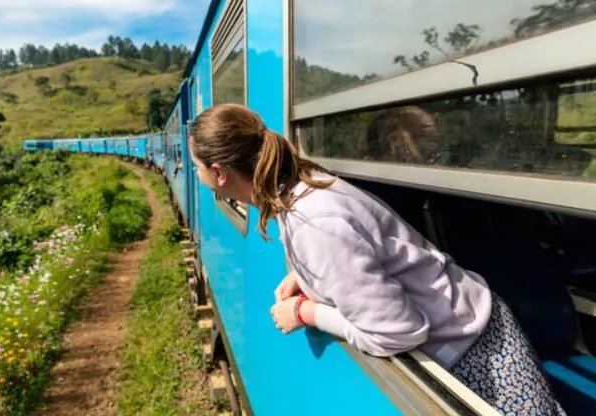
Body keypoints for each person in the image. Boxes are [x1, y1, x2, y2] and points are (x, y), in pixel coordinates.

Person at [187, 103, 567, 416]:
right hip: (472, 330)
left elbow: (398, 331)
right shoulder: (304, 188)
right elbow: (361, 254)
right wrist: (305, 277)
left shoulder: (313, 222)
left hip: (477, 354)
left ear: (219, 173)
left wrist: (305, 312)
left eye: (197, 165)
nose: (194, 172)